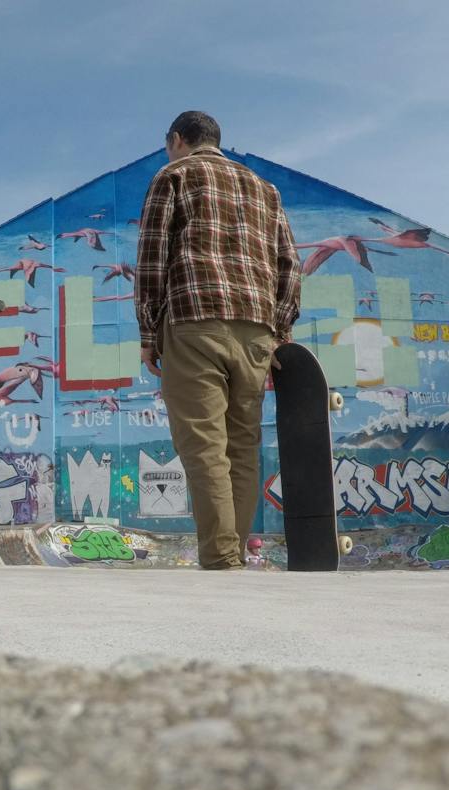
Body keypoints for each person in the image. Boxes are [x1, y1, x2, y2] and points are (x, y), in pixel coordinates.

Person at [135, 112, 302, 569]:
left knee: (204, 444)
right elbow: (290, 263)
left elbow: (152, 258)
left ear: (177, 139)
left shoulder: (175, 174)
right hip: (256, 329)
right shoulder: (265, 190)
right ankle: (232, 555)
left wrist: (148, 333)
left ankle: (221, 560)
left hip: (194, 320)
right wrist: (280, 333)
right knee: (243, 445)